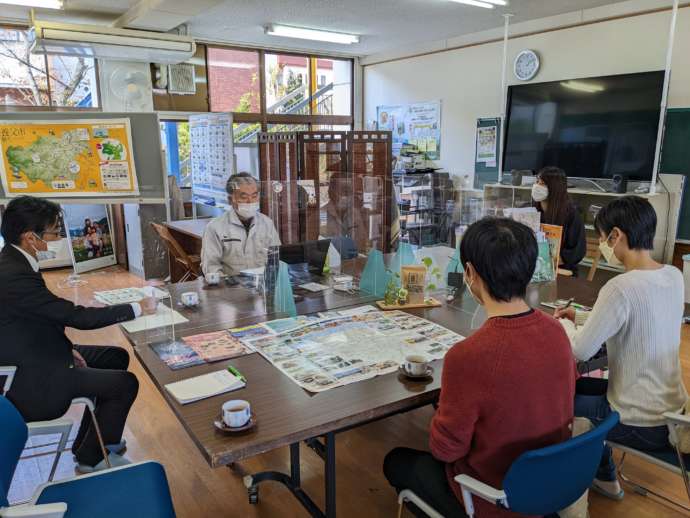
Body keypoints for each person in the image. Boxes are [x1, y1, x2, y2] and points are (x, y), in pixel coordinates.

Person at [384, 218, 577, 518]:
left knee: (396, 461)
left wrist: (444, 412)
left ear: (470, 273)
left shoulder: (468, 355)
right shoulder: (557, 332)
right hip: (547, 486)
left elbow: (445, 450)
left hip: (492, 497)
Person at [0, 196, 157, 472]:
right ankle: (91, 459)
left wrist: (66, 345)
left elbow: (39, 315)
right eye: (52, 232)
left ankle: (93, 442)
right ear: (30, 237)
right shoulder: (13, 275)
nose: (57, 236)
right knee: (125, 384)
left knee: (114, 356)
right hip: (32, 377)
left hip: (36, 349)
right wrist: (137, 307)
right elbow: (75, 316)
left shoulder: (15, 261)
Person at [555, 195, 687, 500]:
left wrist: (561, 326)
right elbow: (642, 318)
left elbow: (579, 352)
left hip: (638, 420)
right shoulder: (673, 276)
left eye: (602, 238)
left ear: (617, 236)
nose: (603, 245)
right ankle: (605, 478)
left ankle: (573, 486)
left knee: (555, 403)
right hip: (672, 413)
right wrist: (584, 316)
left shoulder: (620, 287)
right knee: (581, 388)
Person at [201, 172, 280, 277]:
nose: (250, 201)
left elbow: (275, 259)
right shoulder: (215, 227)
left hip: (262, 285)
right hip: (231, 288)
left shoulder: (267, 223)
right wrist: (229, 286)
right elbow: (211, 267)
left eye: (254, 196)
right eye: (244, 197)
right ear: (230, 200)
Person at [532, 166, 586, 275]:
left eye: (542, 183)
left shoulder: (572, 215)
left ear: (554, 187)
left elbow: (576, 252)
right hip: (533, 267)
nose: (536, 186)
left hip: (561, 270)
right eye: (537, 181)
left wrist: (548, 264)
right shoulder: (531, 210)